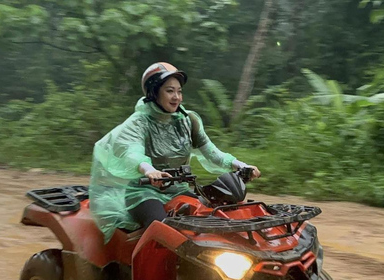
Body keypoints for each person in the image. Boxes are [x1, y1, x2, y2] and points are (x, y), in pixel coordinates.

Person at [89, 62, 260, 242]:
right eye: (170, 91)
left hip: (178, 190)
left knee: (207, 221)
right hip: (144, 193)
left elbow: (213, 153)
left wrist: (242, 165)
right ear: (154, 92)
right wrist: (148, 170)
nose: (176, 97)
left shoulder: (188, 121)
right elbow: (132, 152)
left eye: (179, 91)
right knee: (162, 231)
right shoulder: (139, 122)